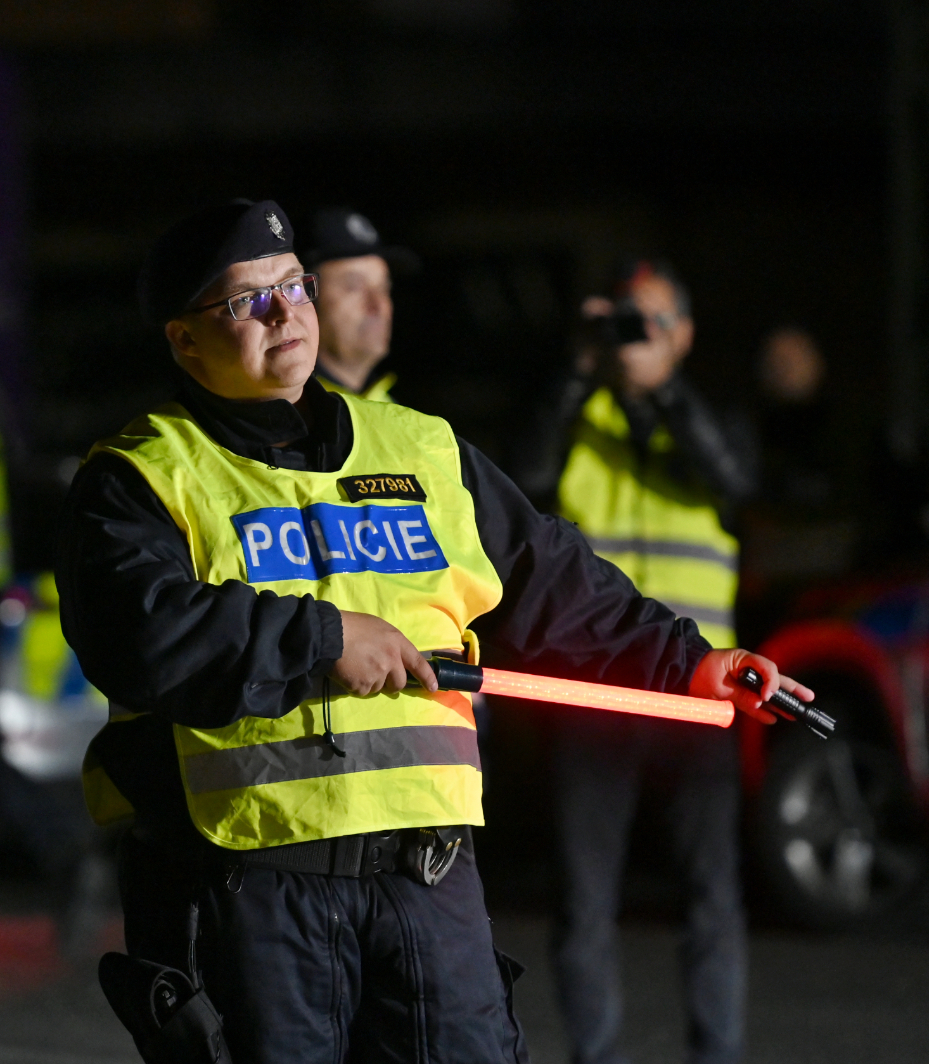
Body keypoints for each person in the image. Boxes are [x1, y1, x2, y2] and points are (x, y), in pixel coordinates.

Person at [56, 200, 808, 1063]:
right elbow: (141, 636)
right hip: (253, 890)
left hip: (430, 882)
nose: (284, 312)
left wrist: (689, 664)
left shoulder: (421, 448)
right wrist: (325, 639)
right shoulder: (141, 476)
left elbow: (557, 585)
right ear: (184, 341)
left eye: (293, 285)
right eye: (244, 301)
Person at [511, 258, 757, 1064]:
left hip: (697, 688)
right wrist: (578, 369)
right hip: (591, 693)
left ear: (683, 335)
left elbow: (734, 482)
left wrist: (664, 395)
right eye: (619, 319)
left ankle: (716, 1053)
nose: (631, 336)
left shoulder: (710, 414)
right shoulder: (576, 412)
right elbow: (525, 485)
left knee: (712, 896)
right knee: (584, 900)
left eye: (647, 321)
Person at [302, 207, 412, 402]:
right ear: (303, 296)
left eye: (383, 287)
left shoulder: (396, 414)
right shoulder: (285, 417)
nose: (378, 306)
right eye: (353, 286)